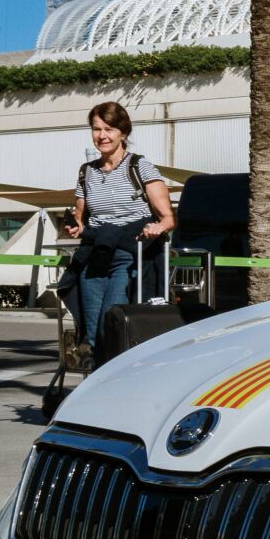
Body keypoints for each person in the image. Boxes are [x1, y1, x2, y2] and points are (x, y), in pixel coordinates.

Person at [59, 101, 175, 368]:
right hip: (96, 255)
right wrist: (76, 227)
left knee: (112, 321)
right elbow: (82, 220)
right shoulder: (86, 172)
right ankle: (97, 382)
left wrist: (157, 227)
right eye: (96, 129)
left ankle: (117, 378)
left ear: (123, 132)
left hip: (127, 254)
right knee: (90, 328)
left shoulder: (139, 167)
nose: (102, 135)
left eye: (109, 129)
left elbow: (168, 218)